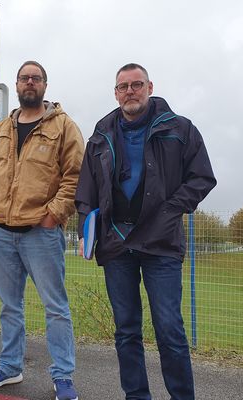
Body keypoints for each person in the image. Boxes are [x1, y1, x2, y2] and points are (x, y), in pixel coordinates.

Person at [75, 63, 216, 400]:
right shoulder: (100, 135)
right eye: (123, 86)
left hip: (161, 244)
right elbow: (86, 189)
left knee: (169, 330)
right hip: (117, 245)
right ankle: (136, 395)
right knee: (126, 331)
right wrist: (86, 225)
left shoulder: (179, 129)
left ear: (150, 87)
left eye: (136, 84)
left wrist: (169, 210)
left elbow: (202, 178)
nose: (130, 91)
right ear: (115, 93)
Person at [0, 61, 84, 400]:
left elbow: (76, 176)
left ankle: (63, 376)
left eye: (36, 78)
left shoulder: (64, 127)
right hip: (1, 232)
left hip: (41, 231)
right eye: (24, 78)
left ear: (45, 86)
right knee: (10, 305)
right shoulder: (1, 130)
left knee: (55, 307)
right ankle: (9, 367)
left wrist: (53, 215)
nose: (29, 83)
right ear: (18, 84)